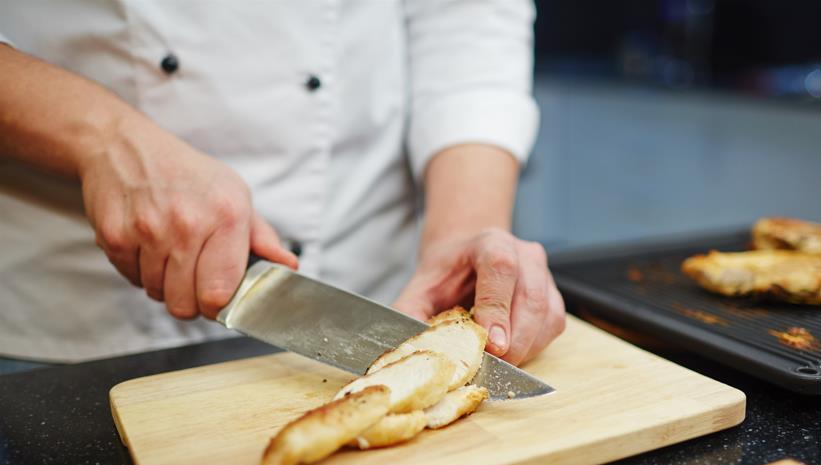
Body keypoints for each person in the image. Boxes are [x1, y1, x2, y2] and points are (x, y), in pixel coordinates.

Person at [0, 0, 565, 371]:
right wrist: (104, 139)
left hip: (378, 289)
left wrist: (462, 235)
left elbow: (465, 16)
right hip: (75, 318)